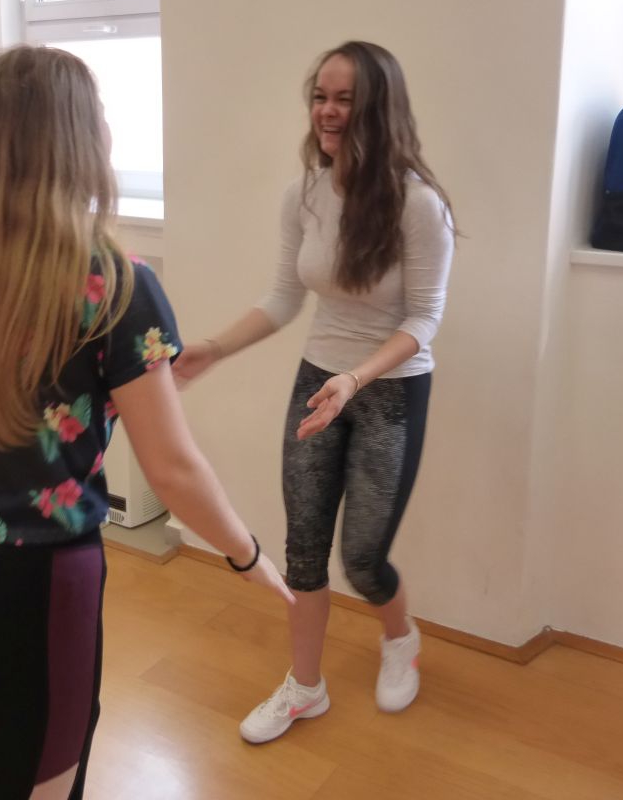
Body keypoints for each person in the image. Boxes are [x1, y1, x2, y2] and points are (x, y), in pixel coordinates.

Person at [0, 45, 293, 799]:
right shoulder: (115, 279)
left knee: (4, 753)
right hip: (37, 586)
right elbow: (172, 469)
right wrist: (248, 556)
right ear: (77, 138)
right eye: (102, 116)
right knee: (39, 774)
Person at [174, 40, 456, 744]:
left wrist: (356, 378)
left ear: (379, 109)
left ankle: (400, 638)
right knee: (303, 548)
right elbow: (282, 297)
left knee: (361, 558)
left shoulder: (419, 205)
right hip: (317, 383)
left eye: (344, 99)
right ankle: (306, 687)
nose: (327, 111)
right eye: (320, 97)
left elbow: (424, 318)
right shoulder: (304, 194)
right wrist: (214, 347)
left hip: (389, 392)